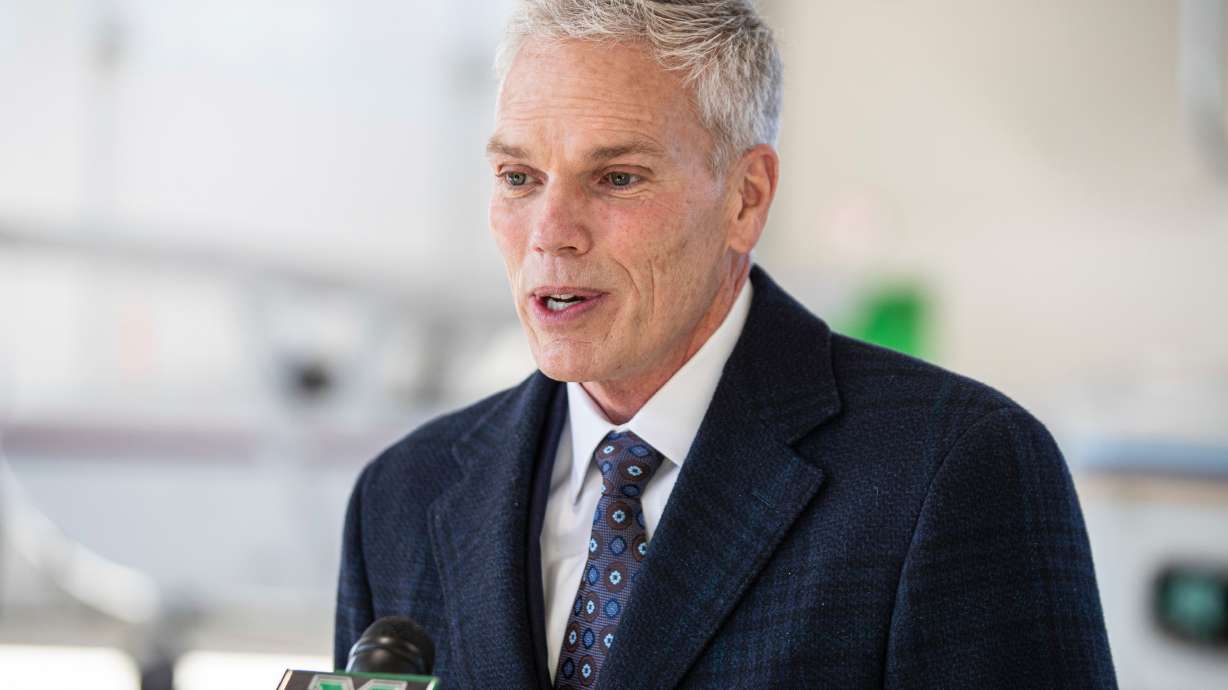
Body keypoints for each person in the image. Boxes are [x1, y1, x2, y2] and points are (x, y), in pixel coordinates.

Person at [334, 1, 1117, 687]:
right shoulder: (401, 500)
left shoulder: (953, 470)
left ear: (746, 199)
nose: (552, 234)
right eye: (517, 177)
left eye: (617, 179)